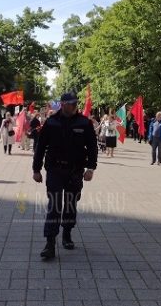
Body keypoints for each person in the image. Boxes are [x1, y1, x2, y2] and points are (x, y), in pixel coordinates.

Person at [33, 92, 98, 259]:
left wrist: (91, 168)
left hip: (75, 171)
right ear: (62, 104)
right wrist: (36, 169)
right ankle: (50, 243)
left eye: (75, 103)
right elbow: (40, 147)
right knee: (54, 206)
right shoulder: (51, 122)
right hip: (55, 169)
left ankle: (67, 233)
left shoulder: (84, 123)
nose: (74, 105)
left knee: (70, 204)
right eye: (70, 103)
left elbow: (92, 147)